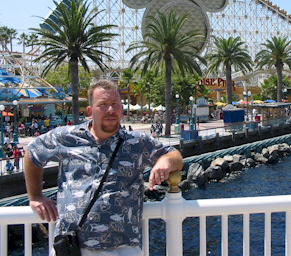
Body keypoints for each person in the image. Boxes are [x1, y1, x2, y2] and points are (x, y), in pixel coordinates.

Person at [24, 80, 183, 255]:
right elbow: (32, 154)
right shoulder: (66, 137)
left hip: (123, 247)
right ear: (90, 111)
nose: (110, 110)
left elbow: (175, 156)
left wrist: (165, 161)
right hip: (74, 246)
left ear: (121, 109)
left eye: (115, 105)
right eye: (103, 105)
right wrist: (36, 196)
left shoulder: (138, 142)